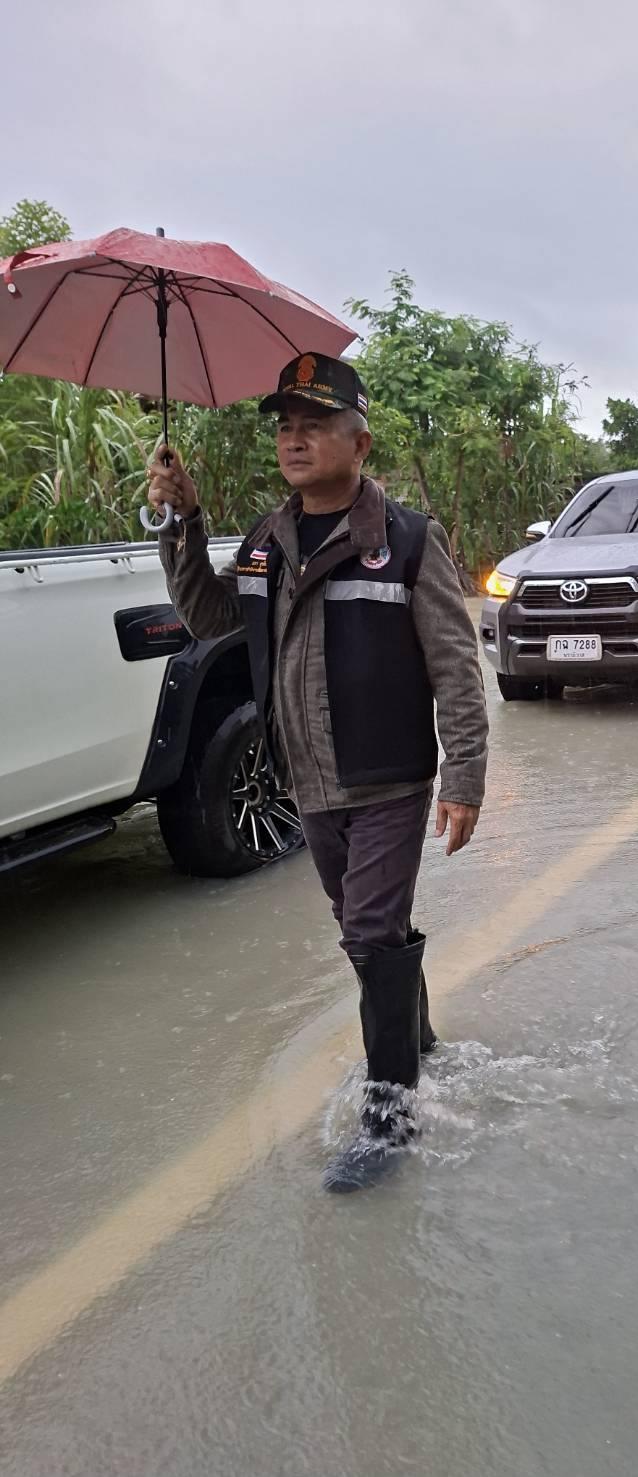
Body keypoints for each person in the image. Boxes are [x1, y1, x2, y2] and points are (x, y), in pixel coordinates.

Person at [147, 353, 489, 1193]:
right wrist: (182, 523)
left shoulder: (407, 541)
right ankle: (418, 1038)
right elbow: (213, 615)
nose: (293, 439)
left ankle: (390, 1109)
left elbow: (454, 665)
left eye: (313, 423)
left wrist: (465, 777)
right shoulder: (267, 540)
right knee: (366, 927)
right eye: (284, 426)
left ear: (359, 440)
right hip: (307, 783)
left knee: (368, 931)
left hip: (390, 779)